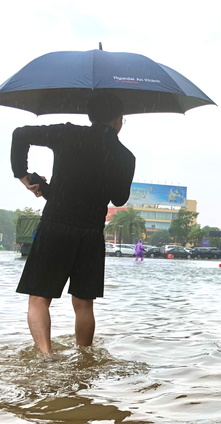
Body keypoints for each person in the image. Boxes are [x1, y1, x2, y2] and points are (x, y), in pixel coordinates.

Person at [11, 93, 136, 354]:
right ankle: (84, 359)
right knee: (84, 304)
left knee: (39, 298)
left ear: (91, 115)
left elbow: (20, 134)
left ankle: (46, 357)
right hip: (91, 233)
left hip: (56, 225)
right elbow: (119, 197)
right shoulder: (125, 156)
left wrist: (23, 175)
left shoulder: (68, 134)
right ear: (117, 120)